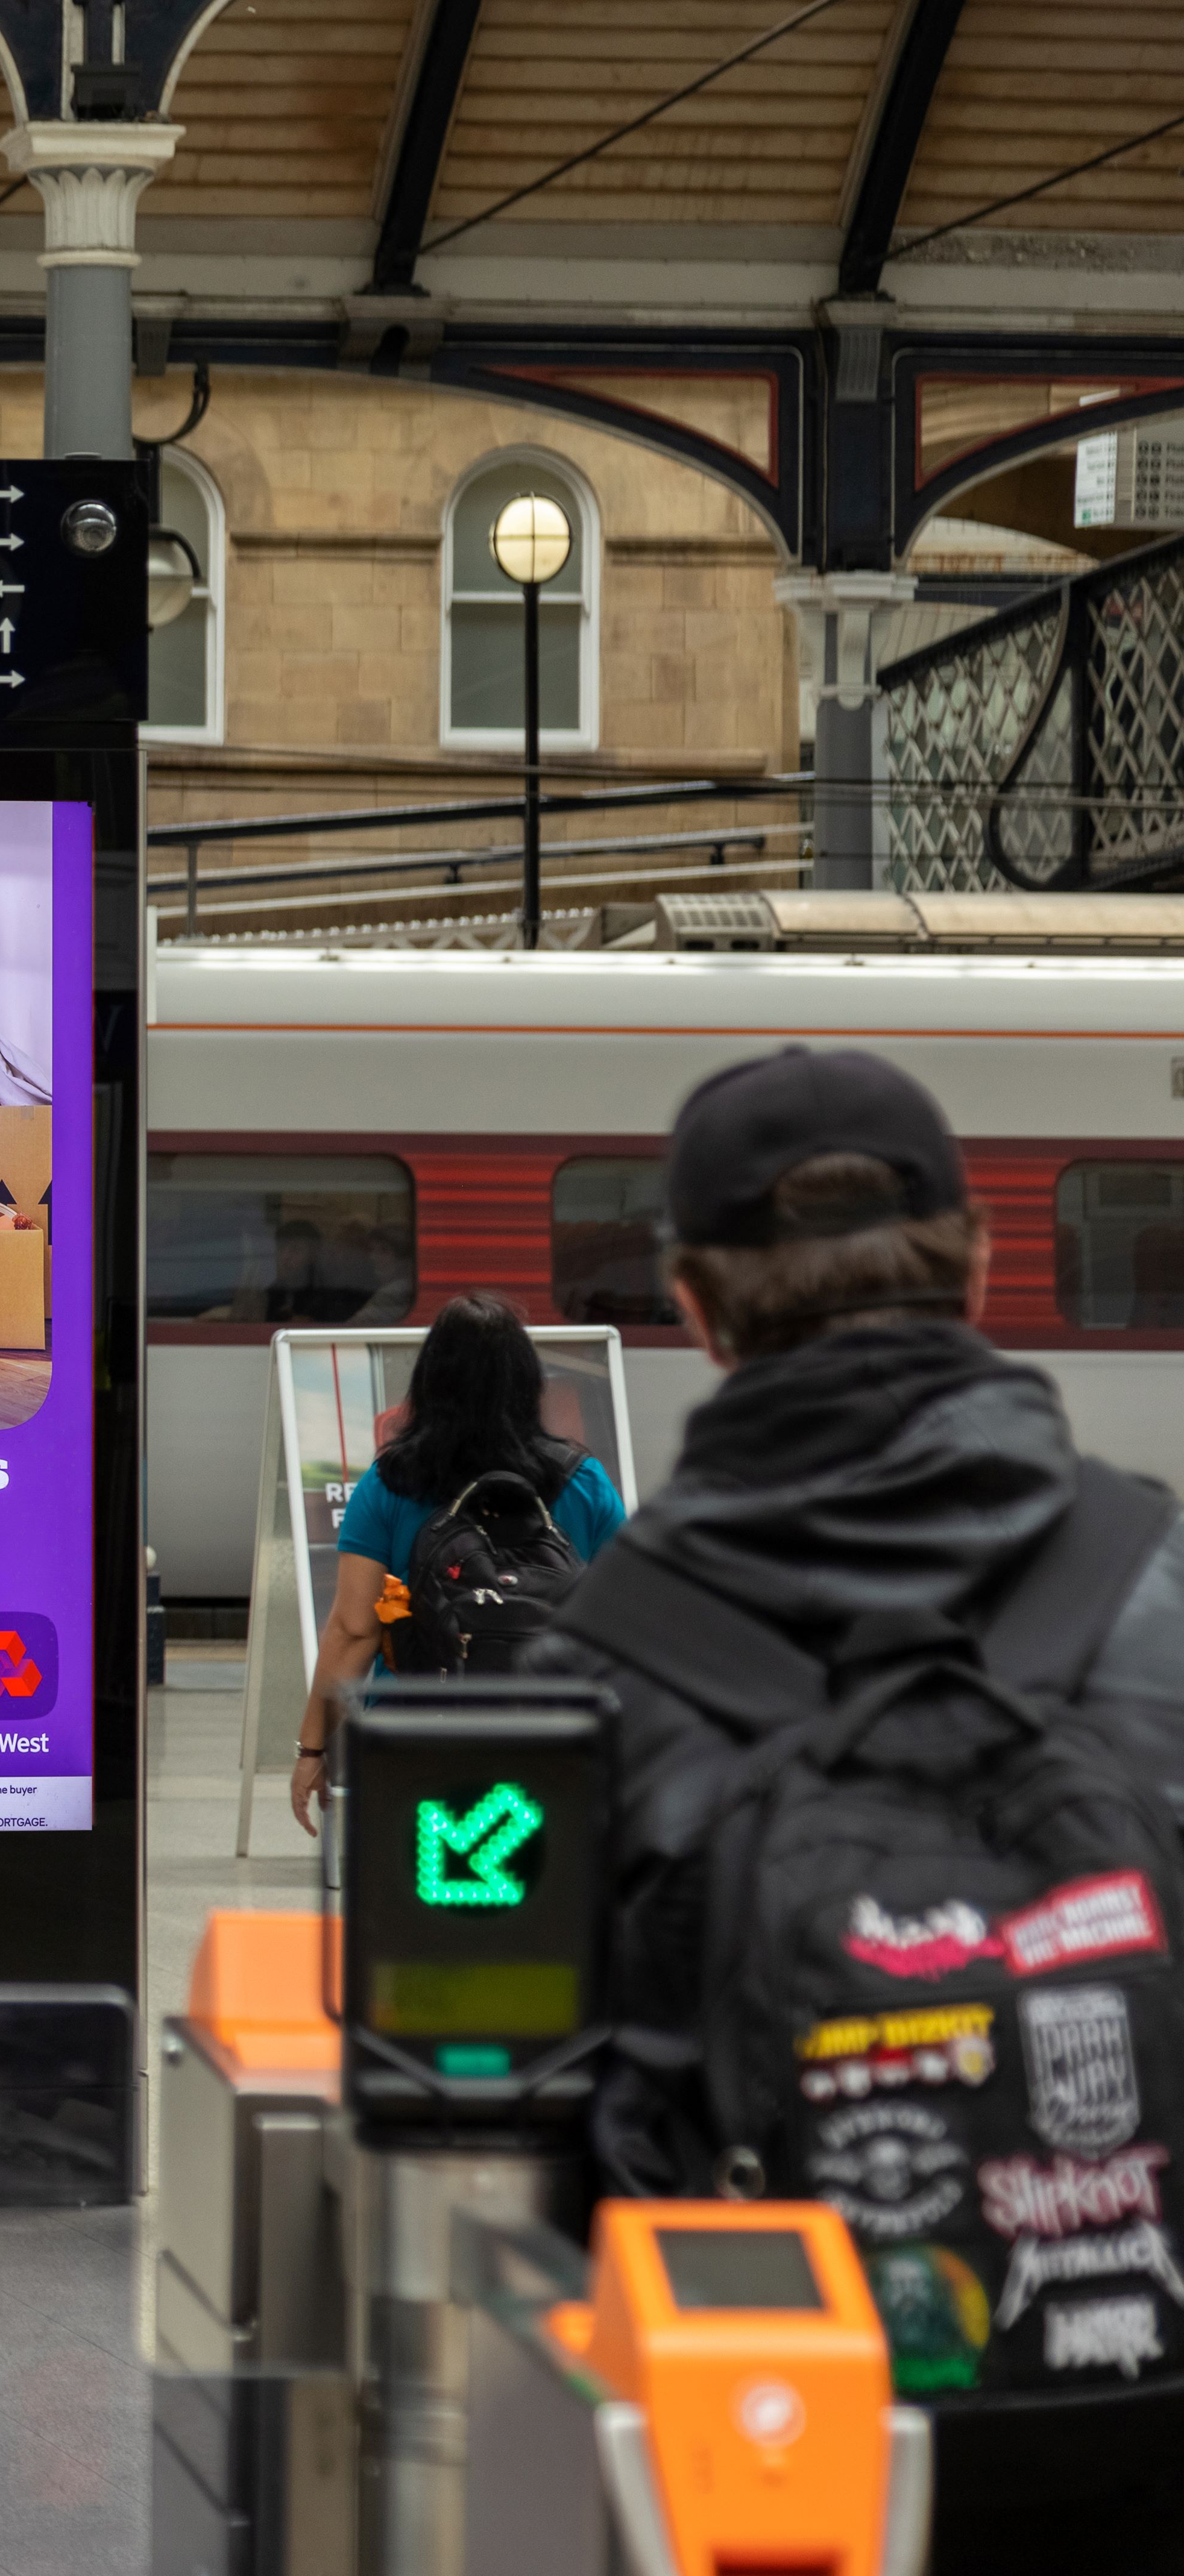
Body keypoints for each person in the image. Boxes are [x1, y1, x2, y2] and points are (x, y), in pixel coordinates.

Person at [521, 1050, 1184, 2563]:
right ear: (985, 1264)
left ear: (692, 1307)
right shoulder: (1165, 1588)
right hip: (1149, 2431)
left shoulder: (583, 1681)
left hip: (750, 2475)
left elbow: (513, 2157)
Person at [286, 1293, 625, 1834]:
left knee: (419, 1900)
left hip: (418, 1734)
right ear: (528, 1382)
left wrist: (314, 1746)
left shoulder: (391, 1483)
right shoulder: (583, 1481)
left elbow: (354, 1630)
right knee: (551, 1899)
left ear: (430, 1382)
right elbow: (623, 1623)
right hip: (552, 1736)